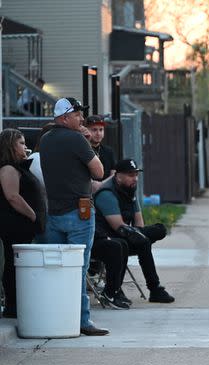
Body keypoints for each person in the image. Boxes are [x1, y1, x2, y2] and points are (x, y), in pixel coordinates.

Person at [39, 97, 108, 336]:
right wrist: (85, 141)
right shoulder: (76, 139)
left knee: (56, 269)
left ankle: (57, 317)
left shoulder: (45, 140)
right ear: (65, 117)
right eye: (77, 114)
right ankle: (82, 320)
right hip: (79, 212)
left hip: (54, 212)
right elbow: (98, 172)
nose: (82, 119)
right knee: (78, 268)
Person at [93, 158, 175, 304]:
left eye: (136, 174)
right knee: (142, 241)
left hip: (126, 235)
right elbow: (118, 226)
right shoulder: (107, 193)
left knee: (157, 231)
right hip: (110, 239)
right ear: (118, 176)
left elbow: (139, 223)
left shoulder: (130, 191)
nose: (135, 178)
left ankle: (155, 289)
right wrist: (138, 234)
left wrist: (139, 234)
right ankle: (119, 290)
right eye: (130, 175)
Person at [0, 129, 46, 318]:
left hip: (24, 225)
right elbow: (13, 197)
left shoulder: (18, 166)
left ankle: (20, 303)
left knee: (20, 264)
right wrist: (33, 215)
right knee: (13, 264)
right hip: (15, 224)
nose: (25, 146)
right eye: (21, 143)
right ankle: (12, 306)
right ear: (10, 146)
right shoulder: (8, 168)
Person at [85, 115, 116, 180]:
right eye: (94, 130)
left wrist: (102, 185)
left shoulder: (108, 151)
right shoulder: (82, 150)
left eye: (101, 130)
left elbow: (113, 174)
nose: (98, 133)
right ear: (86, 130)